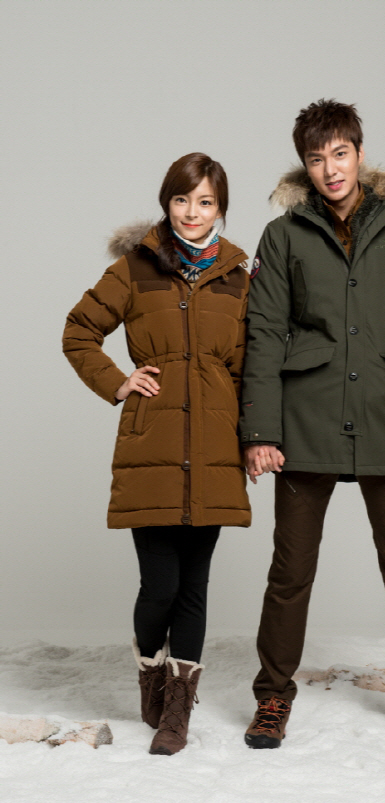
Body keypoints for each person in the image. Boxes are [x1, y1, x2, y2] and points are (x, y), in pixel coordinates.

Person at [240, 100, 385, 753]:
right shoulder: (282, 235)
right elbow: (264, 334)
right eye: (317, 158)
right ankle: (272, 699)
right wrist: (260, 431)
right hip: (303, 420)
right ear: (304, 166)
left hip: (383, 416)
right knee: (290, 573)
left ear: (359, 154)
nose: (330, 168)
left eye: (340, 153)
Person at [62, 153, 250, 756]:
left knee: (194, 586)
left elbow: (247, 369)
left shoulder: (239, 278)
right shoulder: (135, 268)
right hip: (153, 447)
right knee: (160, 586)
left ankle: (178, 709)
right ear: (167, 203)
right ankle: (150, 668)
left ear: (220, 208)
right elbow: (78, 330)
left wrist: (250, 438)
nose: (192, 213)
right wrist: (118, 382)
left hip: (214, 450)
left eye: (206, 202)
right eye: (181, 200)